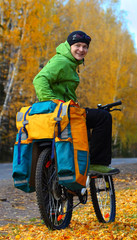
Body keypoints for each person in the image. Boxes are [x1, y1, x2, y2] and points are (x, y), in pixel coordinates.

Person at [33, 30, 119, 175]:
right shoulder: (63, 61)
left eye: (85, 47)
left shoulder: (70, 63)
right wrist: (53, 102)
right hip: (60, 111)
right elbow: (39, 80)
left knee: (87, 123)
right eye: (77, 45)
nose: (81, 49)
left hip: (64, 109)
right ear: (69, 46)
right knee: (103, 118)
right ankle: (97, 164)